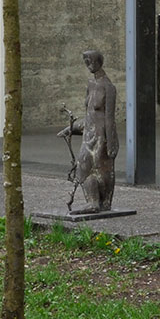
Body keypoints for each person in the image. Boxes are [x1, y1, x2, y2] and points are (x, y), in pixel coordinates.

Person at [58, 49, 118, 213]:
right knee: (83, 166)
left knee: (101, 168)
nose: (89, 66)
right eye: (86, 63)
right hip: (89, 134)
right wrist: (71, 129)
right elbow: (89, 115)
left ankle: (103, 202)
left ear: (99, 62)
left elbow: (109, 118)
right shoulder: (91, 84)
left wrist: (111, 143)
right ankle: (93, 201)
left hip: (101, 136)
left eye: (91, 62)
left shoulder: (109, 87)